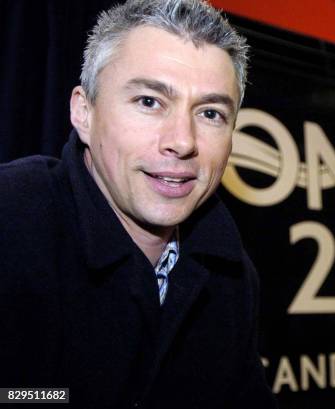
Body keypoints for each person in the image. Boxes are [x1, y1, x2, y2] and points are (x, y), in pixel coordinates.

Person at [0, 0, 277, 407]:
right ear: (84, 112)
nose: (182, 141)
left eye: (211, 113)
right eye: (149, 101)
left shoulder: (232, 273)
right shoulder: (10, 219)